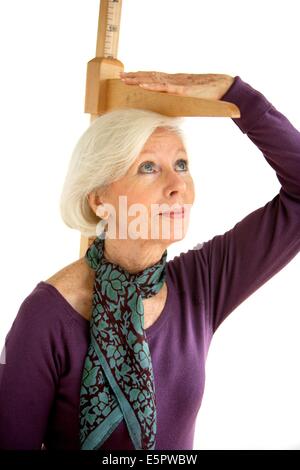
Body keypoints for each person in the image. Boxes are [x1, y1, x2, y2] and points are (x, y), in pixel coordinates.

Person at [0, 72, 299, 450]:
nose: (178, 186)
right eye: (148, 167)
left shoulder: (200, 284)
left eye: (181, 164)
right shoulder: (47, 315)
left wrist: (235, 96)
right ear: (99, 199)